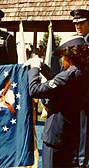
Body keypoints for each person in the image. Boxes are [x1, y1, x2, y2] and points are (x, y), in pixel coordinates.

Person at [24, 36, 89, 168]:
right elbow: (58, 84)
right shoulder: (82, 73)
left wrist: (34, 68)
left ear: (68, 56)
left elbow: (35, 90)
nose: (61, 60)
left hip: (55, 138)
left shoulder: (68, 75)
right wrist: (43, 67)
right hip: (70, 136)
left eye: (62, 56)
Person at [70, 9, 89, 167]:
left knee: (84, 129)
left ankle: (82, 161)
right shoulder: (74, 42)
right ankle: (75, 158)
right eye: (76, 23)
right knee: (75, 128)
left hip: (87, 95)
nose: (78, 26)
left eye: (81, 23)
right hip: (74, 94)